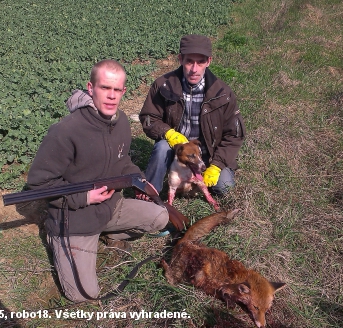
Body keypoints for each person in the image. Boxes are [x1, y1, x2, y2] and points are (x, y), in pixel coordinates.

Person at [27, 59, 169, 302]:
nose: (111, 96)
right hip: (75, 218)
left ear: (124, 91)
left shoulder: (122, 121)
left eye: (117, 90)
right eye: (105, 88)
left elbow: (122, 161)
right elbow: (38, 186)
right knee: (83, 295)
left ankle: (107, 232)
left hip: (110, 207)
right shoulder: (65, 131)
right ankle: (56, 237)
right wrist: (84, 196)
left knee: (160, 217)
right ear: (90, 88)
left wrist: (141, 180)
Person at [139, 34, 245, 196]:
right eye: (189, 61)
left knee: (224, 187)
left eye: (200, 62)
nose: (194, 69)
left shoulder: (223, 93)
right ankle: (149, 193)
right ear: (180, 59)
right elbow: (148, 117)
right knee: (161, 148)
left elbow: (234, 136)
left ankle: (199, 177)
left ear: (208, 62)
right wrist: (168, 133)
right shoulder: (163, 85)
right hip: (177, 149)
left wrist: (216, 165)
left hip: (209, 152)